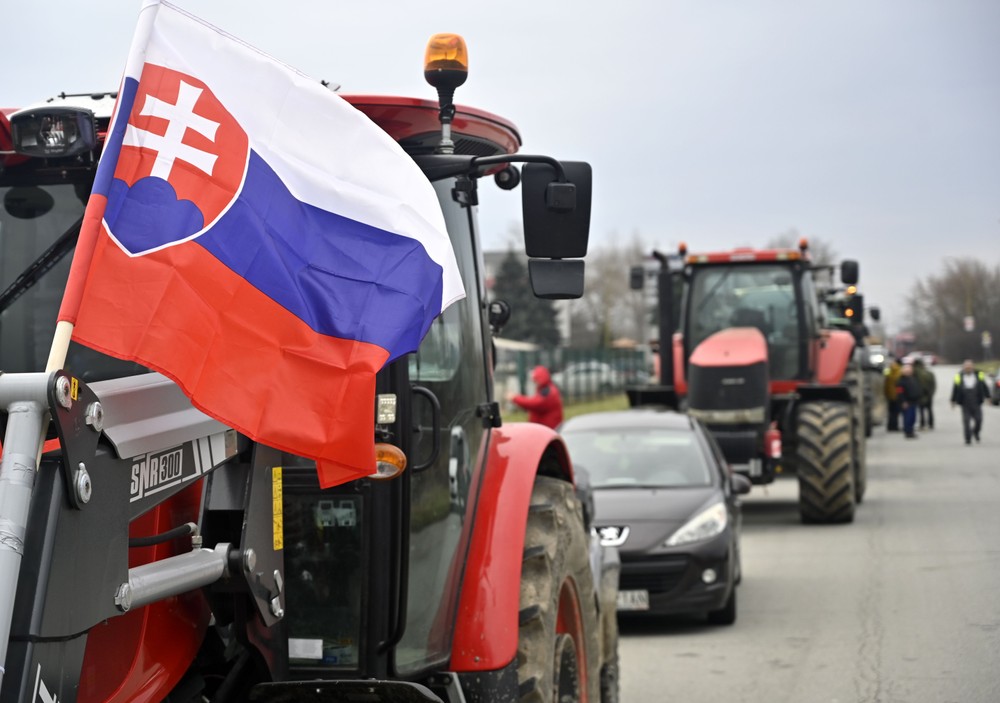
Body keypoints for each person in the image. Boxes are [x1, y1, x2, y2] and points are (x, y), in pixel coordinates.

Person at [950, 360, 989, 445]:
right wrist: (953, 400)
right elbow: (955, 389)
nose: (968, 368)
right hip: (965, 403)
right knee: (966, 421)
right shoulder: (959, 376)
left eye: (970, 366)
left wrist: (988, 396)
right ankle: (968, 439)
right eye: (966, 366)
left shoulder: (979, 375)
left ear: (973, 367)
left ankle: (975, 432)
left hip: (977, 402)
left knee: (979, 420)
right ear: (964, 367)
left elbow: (984, 386)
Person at [895, 363, 922, 439]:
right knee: (908, 418)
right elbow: (900, 393)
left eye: (910, 371)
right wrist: (903, 401)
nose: (909, 372)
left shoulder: (913, 379)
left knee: (913, 417)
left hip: (914, 401)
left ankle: (911, 430)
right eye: (907, 371)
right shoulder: (901, 381)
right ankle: (908, 432)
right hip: (907, 402)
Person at [913, 358, 936, 430]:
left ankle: (922, 424)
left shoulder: (915, 372)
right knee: (929, 409)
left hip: (920, 394)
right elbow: (933, 384)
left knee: (921, 410)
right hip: (929, 393)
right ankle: (931, 424)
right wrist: (931, 393)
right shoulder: (929, 373)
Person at [884, 356, 902, 431]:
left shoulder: (888, 370)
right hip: (896, 395)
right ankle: (894, 426)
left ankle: (890, 426)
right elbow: (900, 384)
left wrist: (886, 393)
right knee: (896, 412)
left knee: (891, 412)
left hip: (889, 395)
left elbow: (885, 381)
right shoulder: (899, 371)